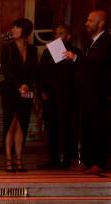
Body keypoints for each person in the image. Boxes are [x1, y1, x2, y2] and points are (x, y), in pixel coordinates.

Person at [64, 10, 110, 175]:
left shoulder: (106, 40)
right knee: (87, 127)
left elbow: (96, 62)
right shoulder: (91, 42)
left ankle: (99, 162)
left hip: (99, 93)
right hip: (87, 94)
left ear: (101, 23)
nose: (86, 23)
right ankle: (87, 161)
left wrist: (76, 58)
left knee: (98, 128)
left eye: (90, 21)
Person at [37, 24, 80, 169]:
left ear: (68, 36)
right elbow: (41, 72)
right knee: (51, 128)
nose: (57, 36)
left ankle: (67, 159)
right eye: (55, 34)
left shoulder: (75, 52)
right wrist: (41, 90)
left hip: (67, 97)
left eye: (61, 33)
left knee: (66, 128)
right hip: (50, 97)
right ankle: (53, 159)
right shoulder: (48, 52)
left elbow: (79, 75)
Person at [0, 18, 37, 172]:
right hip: (10, 91)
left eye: (17, 27)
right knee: (10, 124)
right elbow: (7, 71)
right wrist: (18, 85)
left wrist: (27, 85)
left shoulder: (33, 49)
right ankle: (8, 161)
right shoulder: (7, 48)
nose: (13, 29)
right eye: (13, 26)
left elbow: (35, 71)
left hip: (26, 92)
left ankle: (19, 160)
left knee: (22, 125)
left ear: (25, 31)